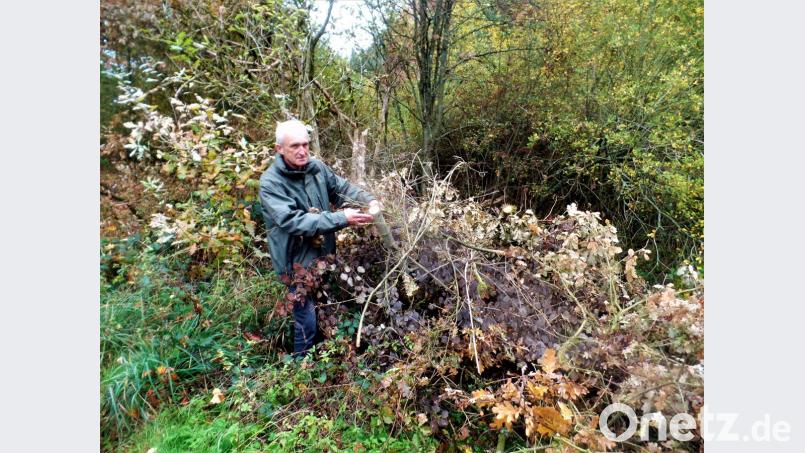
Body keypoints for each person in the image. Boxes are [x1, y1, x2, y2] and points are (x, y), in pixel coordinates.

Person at [259, 119, 380, 357]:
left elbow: (342, 189)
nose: (302, 151)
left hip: (324, 257)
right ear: (279, 149)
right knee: (307, 321)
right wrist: (341, 218)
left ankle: (325, 360)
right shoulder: (271, 183)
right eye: (295, 146)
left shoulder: (316, 168)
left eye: (305, 144)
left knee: (326, 309)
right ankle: (298, 373)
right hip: (295, 265)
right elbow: (294, 221)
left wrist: (369, 201)